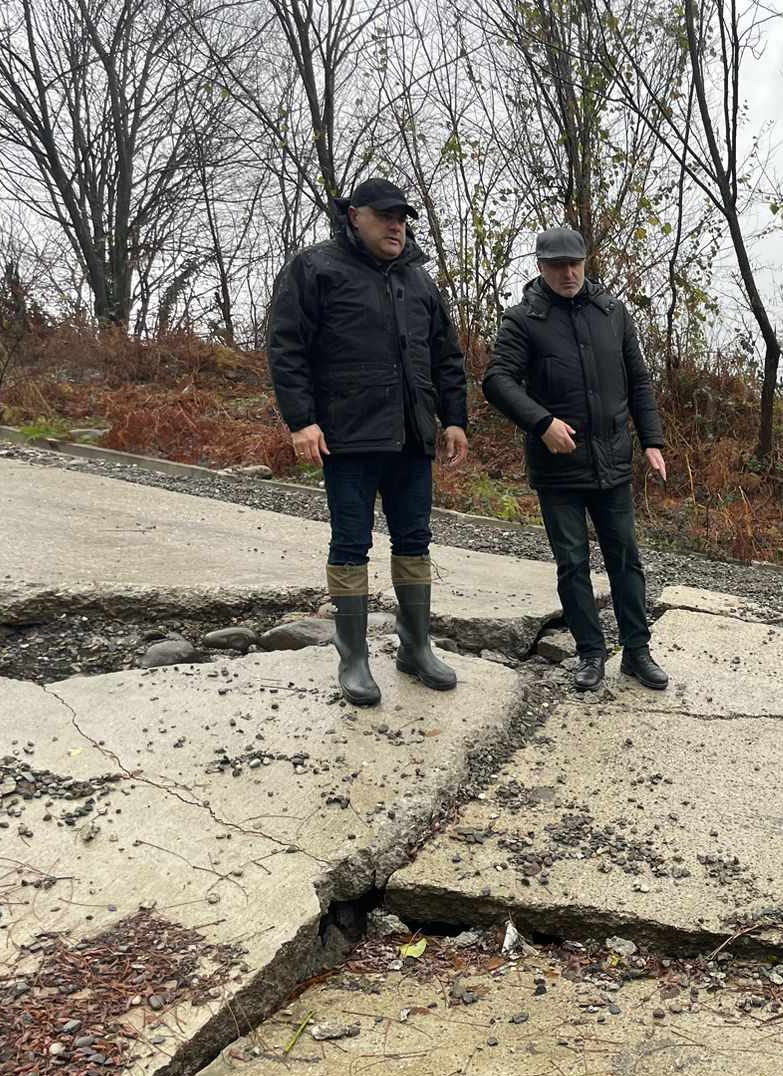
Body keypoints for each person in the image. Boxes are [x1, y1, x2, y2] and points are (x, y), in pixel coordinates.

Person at [267, 177, 469, 707]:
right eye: (385, 215)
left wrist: (454, 418)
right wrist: (300, 420)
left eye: (402, 216)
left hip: (411, 437)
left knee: (414, 541)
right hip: (349, 438)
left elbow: (446, 356)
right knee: (351, 544)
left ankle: (415, 647)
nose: (396, 224)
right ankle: (353, 657)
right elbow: (287, 348)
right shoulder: (315, 269)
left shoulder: (420, 281)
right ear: (354, 215)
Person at [482, 226, 669, 692]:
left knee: (626, 558)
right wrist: (541, 423)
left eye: (575, 264)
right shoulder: (523, 320)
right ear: (540, 267)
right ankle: (589, 652)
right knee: (573, 563)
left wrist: (652, 440)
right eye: (556, 265)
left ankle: (637, 652)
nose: (567, 273)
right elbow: (497, 381)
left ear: (586, 262)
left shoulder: (614, 313)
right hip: (558, 468)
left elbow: (639, 381)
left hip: (613, 461)